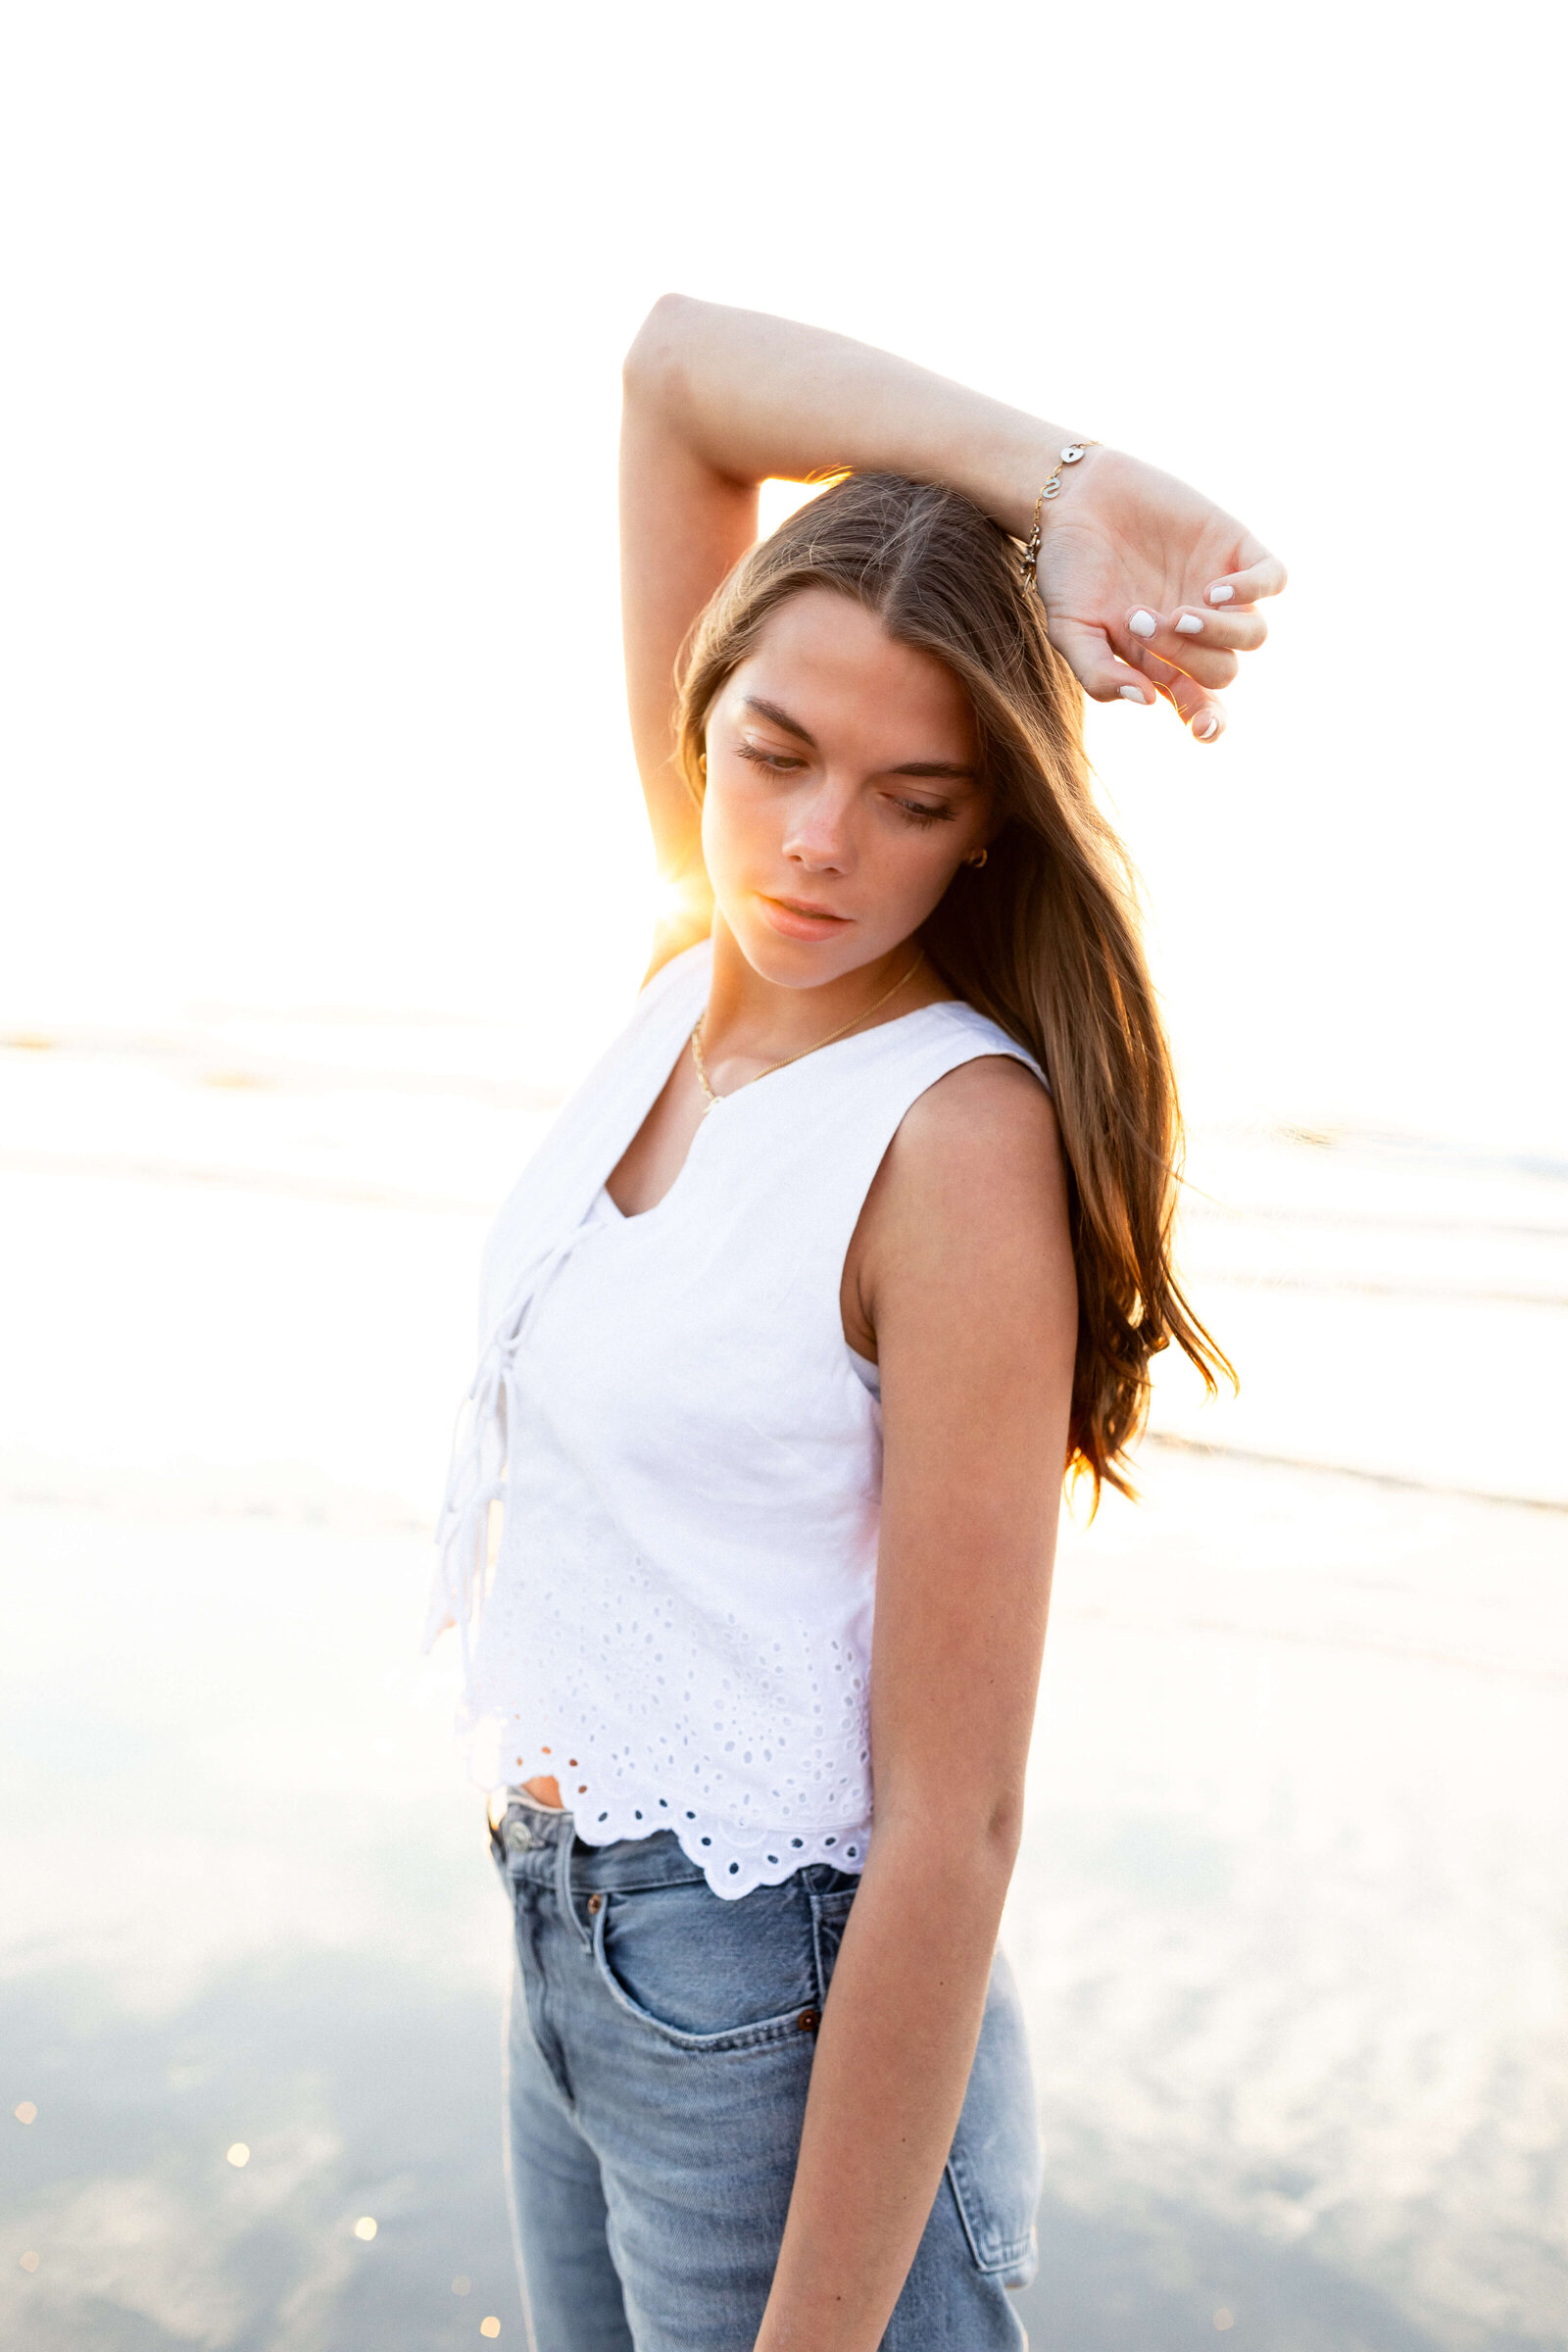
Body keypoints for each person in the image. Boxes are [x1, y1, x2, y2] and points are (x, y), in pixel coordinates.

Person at [425, 295, 1284, 2350]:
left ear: (990, 812)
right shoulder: (681, 968)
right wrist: (1062, 486)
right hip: (572, 1951)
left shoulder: (955, 1144)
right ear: (703, 706)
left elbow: (951, 1827)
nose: (817, 843)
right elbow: (670, 371)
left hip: (788, 2026)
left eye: (913, 794)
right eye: (778, 753)